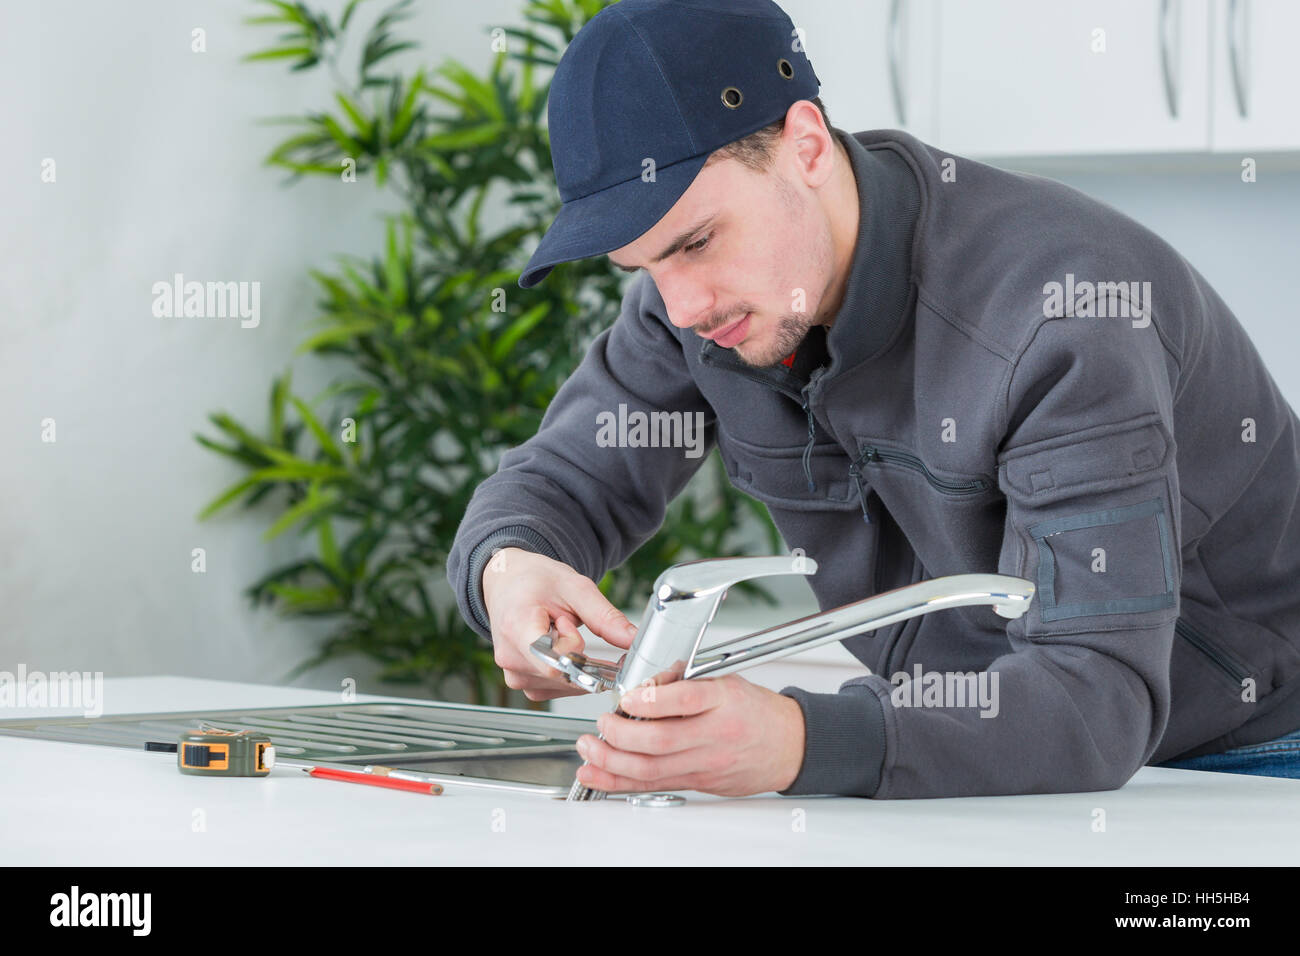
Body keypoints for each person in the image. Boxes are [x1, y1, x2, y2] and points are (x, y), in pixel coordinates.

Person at [447, 0, 1300, 797]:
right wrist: (511, 567)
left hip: (1242, 759)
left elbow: (1093, 694)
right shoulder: (706, 309)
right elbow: (559, 486)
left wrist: (798, 741)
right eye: (644, 267)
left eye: (698, 241)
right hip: (975, 766)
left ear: (806, 146)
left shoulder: (1063, 312)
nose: (683, 308)